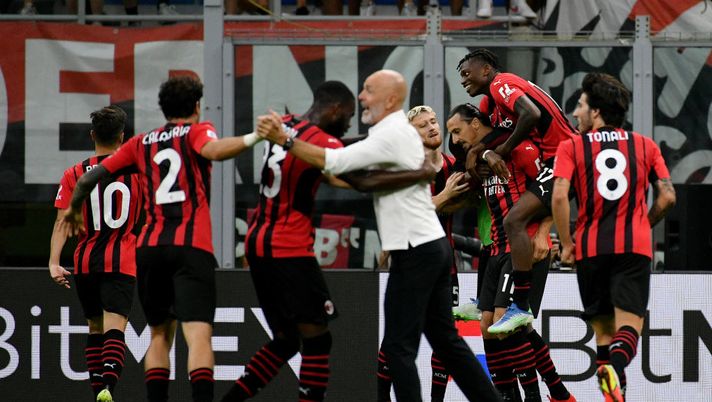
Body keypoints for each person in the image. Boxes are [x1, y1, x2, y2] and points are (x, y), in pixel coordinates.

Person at [257, 69, 501, 402]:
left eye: (369, 90)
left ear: (390, 99)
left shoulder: (391, 133)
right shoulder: (390, 134)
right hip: (431, 249)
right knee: (447, 343)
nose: (361, 97)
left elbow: (336, 160)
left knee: (399, 349)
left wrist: (285, 139)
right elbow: (357, 176)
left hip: (416, 250)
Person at [61, 76, 265, 402]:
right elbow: (213, 150)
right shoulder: (198, 130)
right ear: (197, 107)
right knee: (198, 334)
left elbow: (88, 178)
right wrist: (255, 136)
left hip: (150, 250)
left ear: (163, 108)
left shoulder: (141, 142)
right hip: (190, 246)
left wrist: (73, 209)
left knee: (158, 334)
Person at [220, 81, 356, 402]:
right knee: (318, 341)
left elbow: (321, 163)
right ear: (334, 109)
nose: (349, 123)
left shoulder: (285, 124)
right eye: (348, 116)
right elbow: (344, 171)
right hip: (289, 249)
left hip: (258, 244)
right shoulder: (323, 143)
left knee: (285, 341)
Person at [552, 72, 676, 402]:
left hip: (590, 249)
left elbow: (559, 196)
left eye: (580, 106)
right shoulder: (645, 146)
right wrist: (643, 225)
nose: (575, 113)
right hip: (632, 247)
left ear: (595, 113)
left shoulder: (571, 147)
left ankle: (612, 392)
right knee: (630, 328)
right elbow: (667, 197)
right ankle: (616, 370)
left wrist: (565, 243)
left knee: (604, 332)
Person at [447, 103, 575, 402]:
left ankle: (536, 395)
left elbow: (557, 189)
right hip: (495, 248)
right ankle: (512, 394)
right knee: (488, 327)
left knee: (508, 325)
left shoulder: (521, 149)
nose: (454, 139)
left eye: (457, 130)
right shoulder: (477, 157)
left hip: (523, 246)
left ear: (476, 124)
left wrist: (544, 232)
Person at [457, 48, 578, 334]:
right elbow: (488, 136)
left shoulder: (501, 84)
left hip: (564, 159)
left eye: (466, 73)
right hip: (551, 163)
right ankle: (491, 302)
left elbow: (531, 114)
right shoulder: (490, 103)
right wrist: (480, 152)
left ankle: (520, 305)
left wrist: (501, 150)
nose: (463, 80)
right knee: (505, 225)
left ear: (486, 70)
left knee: (513, 221)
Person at [376, 105, 470, 402]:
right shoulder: (408, 169)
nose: (432, 128)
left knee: (446, 342)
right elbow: (405, 214)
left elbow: (463, 202)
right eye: (422, 125)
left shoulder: (455, 165)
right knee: (397, 341)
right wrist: (443, 198)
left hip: (445, 267)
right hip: (411, 262)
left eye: (433, 122)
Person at [50, 105, 141, 402]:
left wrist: (53, 262)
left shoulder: (74, 173)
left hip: (85, 261)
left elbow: (62, 222)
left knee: (94, 329)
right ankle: (108, 389)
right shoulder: (137, 172)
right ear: (122, 137)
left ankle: (97, 391)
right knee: (115, 328)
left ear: (92, 136)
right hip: (122, 258)